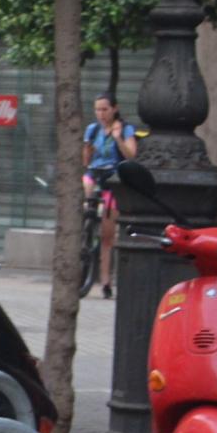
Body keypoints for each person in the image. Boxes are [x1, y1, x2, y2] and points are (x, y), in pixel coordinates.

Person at [82, 92, 136, 299]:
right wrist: (87, 149)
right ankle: (87, 217)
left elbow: (131, 155)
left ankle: (105, 281)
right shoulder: (92, 129)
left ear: (114, 109)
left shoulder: (125, 128)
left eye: (105, 109)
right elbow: (85, 162)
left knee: (107, 236)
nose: (101, 114)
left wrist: (117, 138)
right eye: (97, 109)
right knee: (85, 186)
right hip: (94, 176)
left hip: (113, 179)